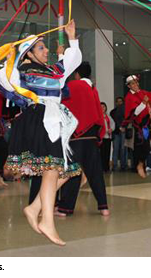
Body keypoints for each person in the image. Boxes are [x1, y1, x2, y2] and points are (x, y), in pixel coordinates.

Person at [0, 20, 82, 246]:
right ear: (28, 54)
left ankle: (34, 208)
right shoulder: (22, 71)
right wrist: (12, 59)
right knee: (53, 170)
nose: (46, 51)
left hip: (54, 120)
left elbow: (73, 61)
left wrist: (72, 37)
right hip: (39, 119)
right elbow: (6, 81)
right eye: (41, 48)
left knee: (66, 171)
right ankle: (47, 222)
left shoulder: (54, 71)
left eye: (45, 47)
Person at [56, 62, 110, 217]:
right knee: (95, 173)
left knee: (73, 172)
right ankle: (103, 207)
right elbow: (99, 113)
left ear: (77, 73)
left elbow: (64, 106)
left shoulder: (73, 85)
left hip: (76, 135)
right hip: (91, 135)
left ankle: (65, 208)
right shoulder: (93, 88)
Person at [110, 97, 128, 171]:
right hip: (116, 132)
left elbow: (127, 119)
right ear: (116, 103)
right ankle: (114, 166)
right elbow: (112, 122)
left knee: (124, 149)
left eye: (121, 101)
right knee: (116, 149)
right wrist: (119, 127)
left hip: (124, 131)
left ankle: (124, 166)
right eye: (118, 101)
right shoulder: (112, 112)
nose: (119, 103)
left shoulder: (126, 111)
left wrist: (124, 127)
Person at [100, 102, 113, 172]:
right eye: (101, 107)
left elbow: (113, 124)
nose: (102, 108)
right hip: (101, 138)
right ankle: (101, 168)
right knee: (101, 153)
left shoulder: (108, 117)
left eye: (104, 107)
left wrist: (111, 129)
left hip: (108, 137)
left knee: (107, 153)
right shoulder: (98, 116)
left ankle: (106, 168)